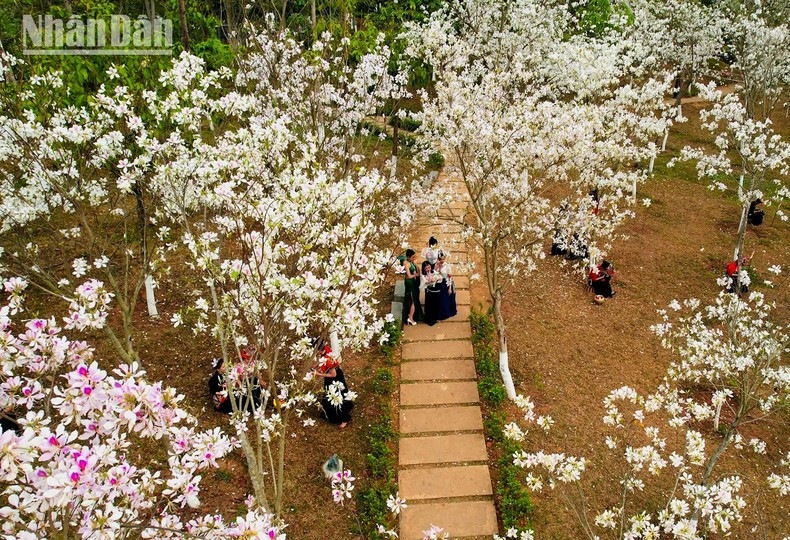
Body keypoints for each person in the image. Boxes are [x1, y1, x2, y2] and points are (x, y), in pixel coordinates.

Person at [313, 345, 353, 428]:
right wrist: (316, 365)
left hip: (335, 379)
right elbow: (322, 358)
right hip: (331, 377)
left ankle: (344, 419)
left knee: (338, 397)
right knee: (328, 395)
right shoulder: (326, 349)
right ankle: (328, 412)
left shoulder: (329, 360)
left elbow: (333, 375)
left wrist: (319, 374)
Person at [403, 249, 423, 326]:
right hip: (409, 282)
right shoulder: (406, 264)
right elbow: (409, 275)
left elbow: (419, 271)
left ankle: (411, 315)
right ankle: (410, 318)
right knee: (413, 299)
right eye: (412, 257)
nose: (413, 258)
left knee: (414, 298)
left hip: (413, 282)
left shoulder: (412, 262)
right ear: (408, 257)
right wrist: (416, 275)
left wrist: (416, 264)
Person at [435, 252, 457, 320]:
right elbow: (435, 273)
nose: (442, 261)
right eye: (440, 259)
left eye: (443, 259)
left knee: (446, 298)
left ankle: (446, 312)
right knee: (441, 299)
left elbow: (450, 277)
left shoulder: (447, 266)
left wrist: (450, 287)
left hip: (447, 283)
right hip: (440, 282)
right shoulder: (437, 265)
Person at [421, 260, 441, 326]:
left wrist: (436, 278)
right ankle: (429, 319)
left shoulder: (433, 272)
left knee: (435, 305)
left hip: (435, 291)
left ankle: (436, 318)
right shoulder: (423, 275)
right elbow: (425, 282)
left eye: (429, 267)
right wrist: (431, 280)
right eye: (426, 268)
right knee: (429, 305)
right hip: (429, 292)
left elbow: (439, 277)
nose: (428, 269)